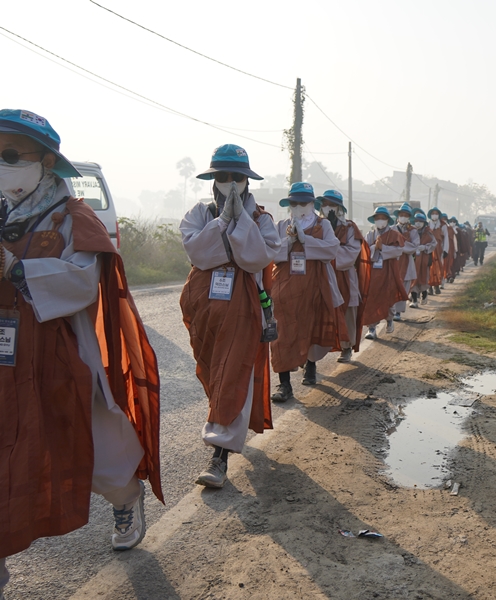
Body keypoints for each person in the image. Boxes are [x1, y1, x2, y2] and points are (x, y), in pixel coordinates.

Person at [0, 109, 162, 595]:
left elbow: (83, 281)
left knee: (94, 451)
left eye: (11, 156)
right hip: (4, 356)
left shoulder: (74, 217)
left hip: (59, 355)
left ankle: (126, 498)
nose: (2, 166)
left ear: (47, 162)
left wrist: (14, 269)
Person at [180, 143, 280, 489]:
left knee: (231, 370)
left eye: (237, 177)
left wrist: (241, 223)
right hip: (203, 302)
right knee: (211, 370)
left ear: (248, 181)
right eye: (223, 177)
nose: (231, 183)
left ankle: (218, 457)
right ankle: (224, 422)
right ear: (213, 180)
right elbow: (197, 253)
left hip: (242, 305)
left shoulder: (263, 220)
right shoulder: (199, 214)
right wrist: (222, 221)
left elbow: (257, 258)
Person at [270, 182, 342, 400]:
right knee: (282, 330)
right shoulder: (282, 225)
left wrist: (306, 240)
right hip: (284, 284)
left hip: (314, 284)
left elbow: (331, 249)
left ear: (312, 203)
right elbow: (271, 252)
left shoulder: (323, 225)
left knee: (310, 324)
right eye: (294, 202)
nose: (299, 206)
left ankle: (310, 365)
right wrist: (290, 242)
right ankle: (284, 384)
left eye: (303, 202)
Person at [319, 189, 370, 363]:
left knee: (347, 311)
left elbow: (350, 255)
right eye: (324, 204)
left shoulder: (350, 228)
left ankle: (346, 347)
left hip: (344, 277)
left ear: (340, 208)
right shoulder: (317, 226)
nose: (327, 207)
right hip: (322, 276)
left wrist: (327, 248)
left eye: (331, 204)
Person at [362, 207, 408, 339]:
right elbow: (364, 251)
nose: (380, 220)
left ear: (387, 220)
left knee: (388, 296)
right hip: (373, 272)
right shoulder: (370, 234)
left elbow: (399, 251)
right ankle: (372, 328)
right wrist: (374, 247)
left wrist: (383, 248)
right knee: (371, 298)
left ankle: (389, 320)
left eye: (382, 218)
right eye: (377, 218)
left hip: (389, 270)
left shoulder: (394, 235)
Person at [390, 203, 420, 321]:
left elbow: (414, 246)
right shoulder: (391, 229)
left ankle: (398, 312)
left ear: (409, 217)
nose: (403, 217)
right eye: (401, 215)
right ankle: (391, 310)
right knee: (392, 286)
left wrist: (400, 246)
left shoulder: (413, 231)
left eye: (406, 215)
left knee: (404, 286)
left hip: (407, 262)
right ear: (398, 216)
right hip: (393, 261)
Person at [410, 210, 436, 307]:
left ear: (424, 223)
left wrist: (425, 247)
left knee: (424, 277)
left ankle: (424, 294)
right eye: (416, 221)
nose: (418, 223)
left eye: (420, 222)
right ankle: (414, 300)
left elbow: (434, 244)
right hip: (413, 259)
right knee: (413, 278)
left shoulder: (429, 233)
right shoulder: (411, 232)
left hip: (424, 258)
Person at [426, 207, 447, 295]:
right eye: (433, 213)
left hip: (439, 250)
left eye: (436, 213)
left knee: (438, 267)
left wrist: (446, 250)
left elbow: (446, 239)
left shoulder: (443, 225)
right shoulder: (427, 225)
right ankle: (429, 287)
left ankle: (437, 286)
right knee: (429, 268)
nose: (434, 215)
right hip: (429, 250)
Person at [441, 212, 457, 285]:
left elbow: (454, 240)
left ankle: (448, 276)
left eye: (445, 219)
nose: (443, 220)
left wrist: (455, 250)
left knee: (448, 264)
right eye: (442, 219)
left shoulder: (450, 229)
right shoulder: (438, 228)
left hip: (449, 250)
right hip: (439, 250)